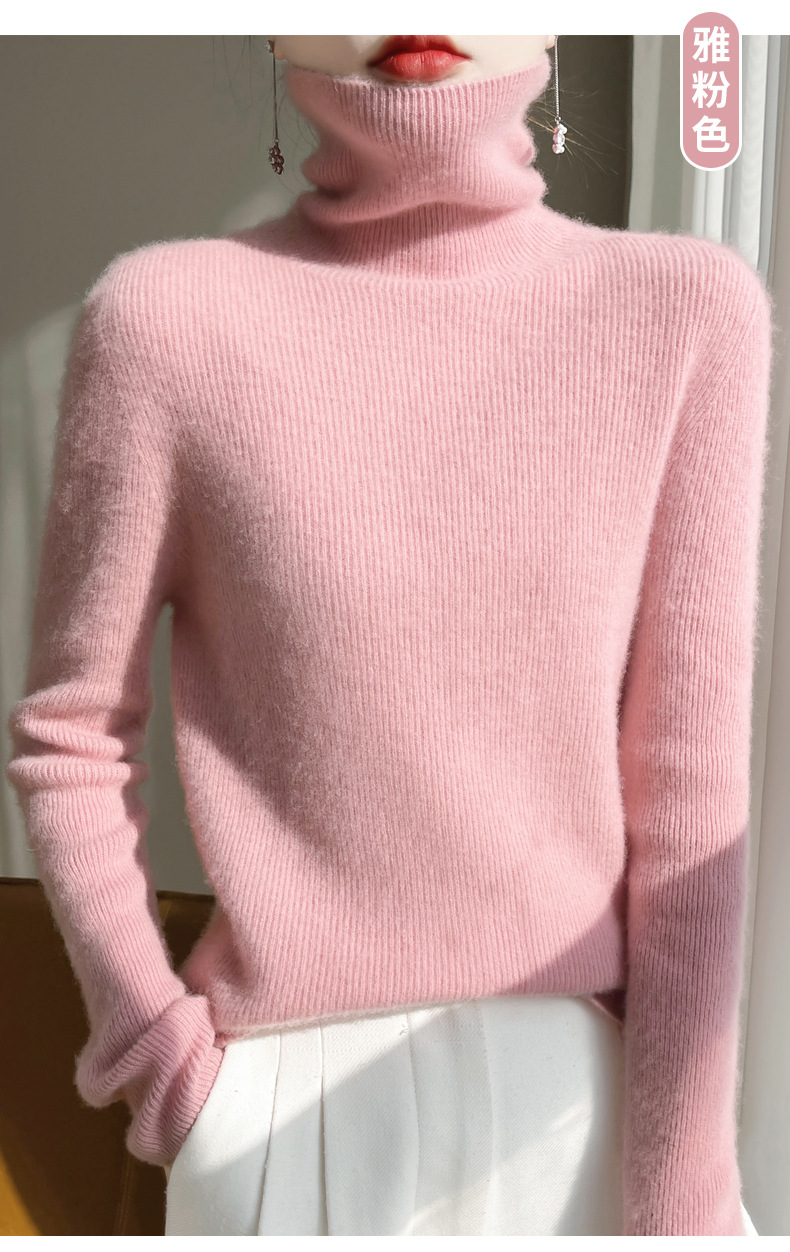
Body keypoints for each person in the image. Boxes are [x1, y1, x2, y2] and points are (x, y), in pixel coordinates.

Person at [5, 34, 771, 1236]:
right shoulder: (164, 320)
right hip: (275, 1116)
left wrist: (680, 1199)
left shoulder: (684, 311)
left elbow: (689, 793)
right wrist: (165, 1069)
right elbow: (69, 736)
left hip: (587, 1113)